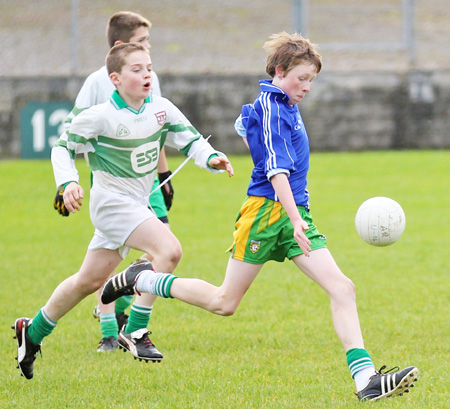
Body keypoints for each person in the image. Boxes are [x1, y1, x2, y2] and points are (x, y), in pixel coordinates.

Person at [101, 32, 419, 402]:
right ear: (280, 71)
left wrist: (297, 213)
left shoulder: (283, 104)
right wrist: (294, 217)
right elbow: (276, 171)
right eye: (302, 78)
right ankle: (146, 279)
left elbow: (256, 137)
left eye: (311, 80)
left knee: (342, 287)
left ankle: (365, 379)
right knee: (224, 302)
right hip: (267, 216)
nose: (307, 87)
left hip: (292, 214)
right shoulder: (271, 107)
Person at [13, 42, 234, 380]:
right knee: (169, 250)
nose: (147, 74)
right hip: (111, 205)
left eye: (149, 67)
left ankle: (33, 332)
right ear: (115, 78)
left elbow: (190, 140)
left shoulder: (160, 109)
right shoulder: (100, 117)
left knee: (87, 282)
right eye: (137, 69)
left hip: (135, 204)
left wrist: (212, 158)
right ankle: (135, 329)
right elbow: (62, 147)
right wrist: (67, 183)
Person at [52, 11, 175, 356]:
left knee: (155, 251)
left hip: (146, 180)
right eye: (142, 42)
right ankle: (112, 330)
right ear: (120, 47)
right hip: (113, 182)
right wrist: (65, 183)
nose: (148, 52)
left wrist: (163, 175)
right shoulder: (96, 82)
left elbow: (158, 128)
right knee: (113, 257)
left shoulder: (150, 77)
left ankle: (121, 320)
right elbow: (71, 136)